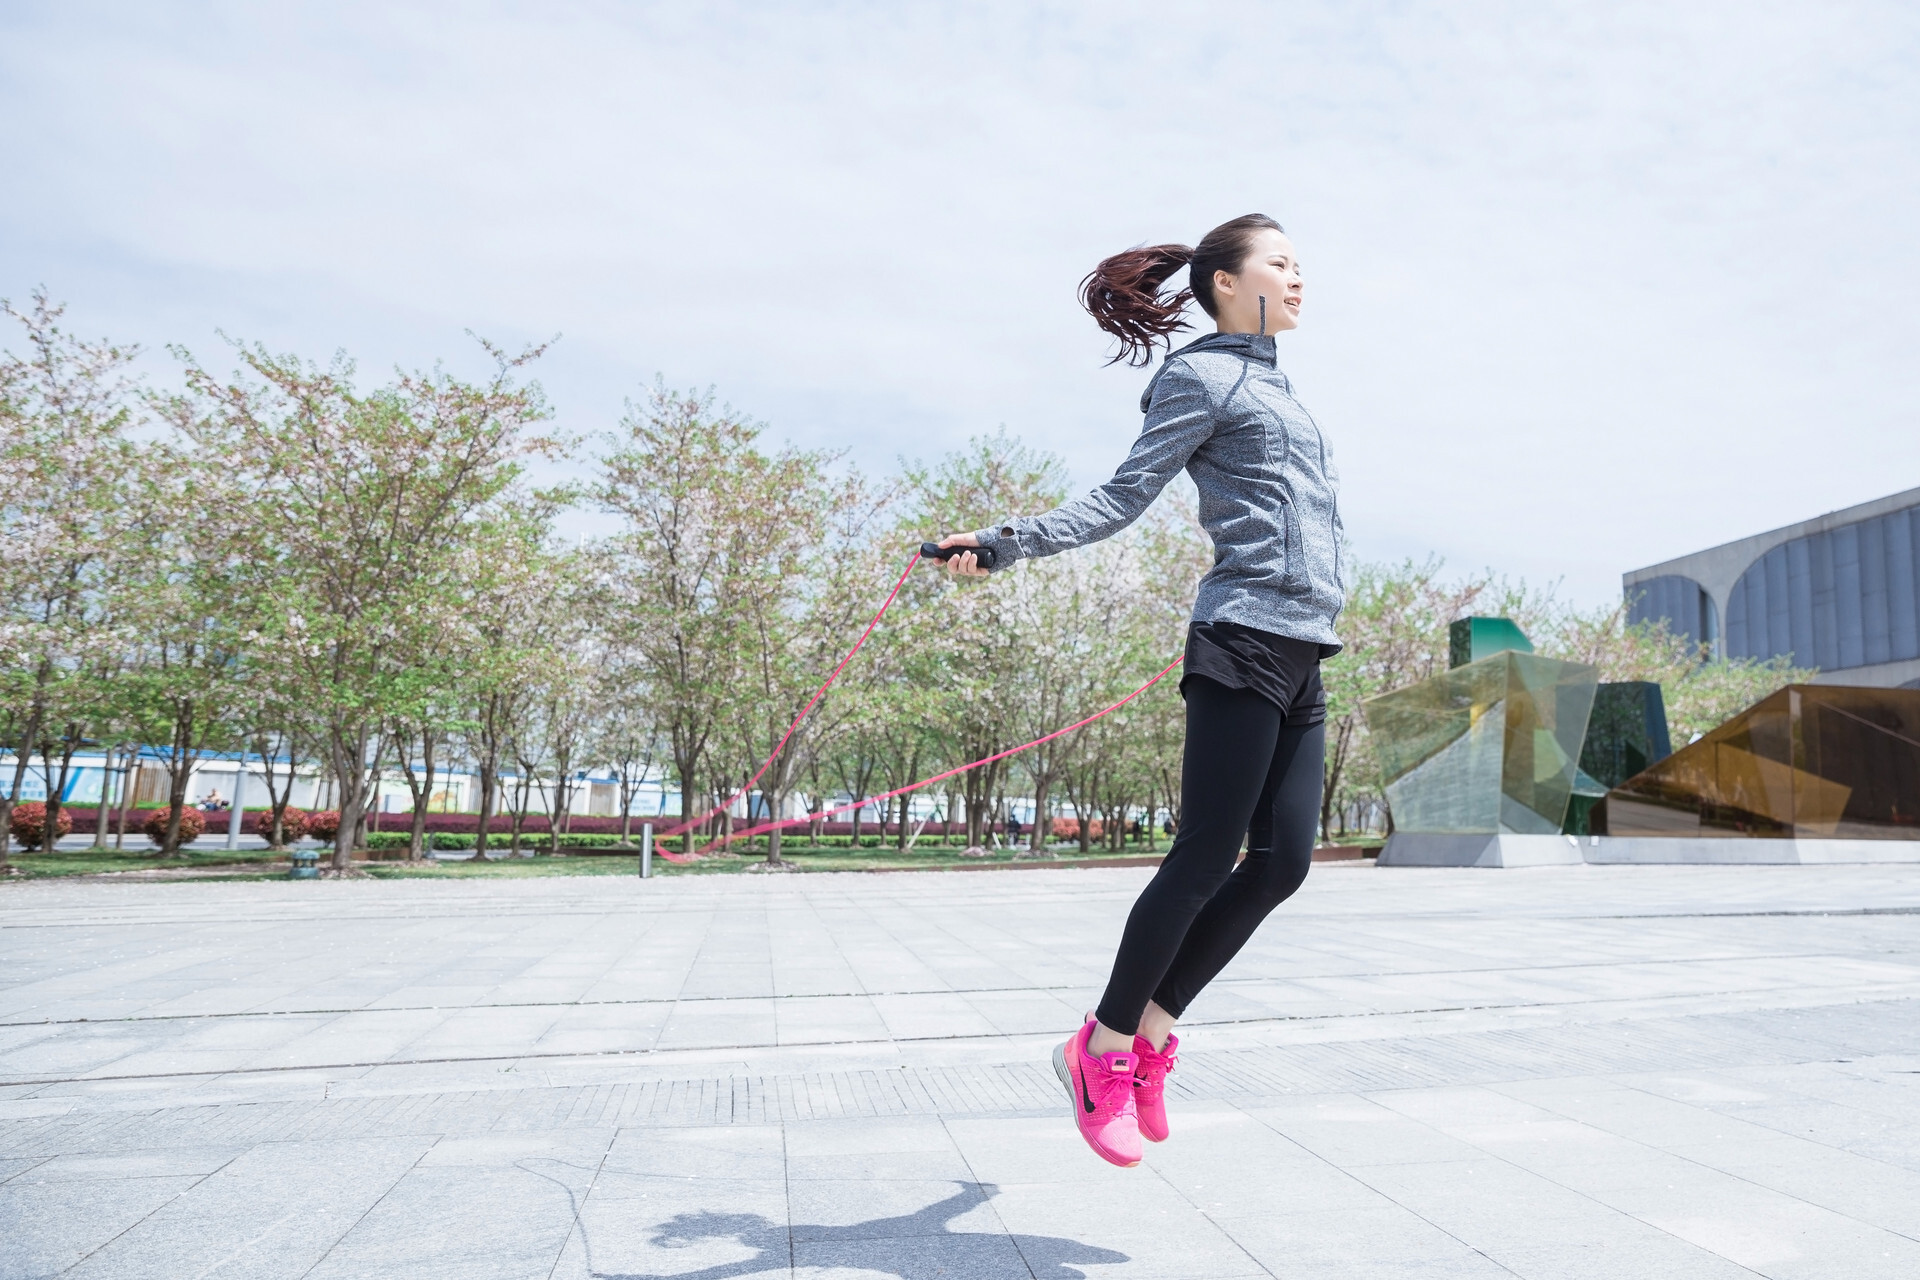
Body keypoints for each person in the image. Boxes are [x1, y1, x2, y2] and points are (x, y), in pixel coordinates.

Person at [935, 214, 1343, 1167]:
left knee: (1282, 863)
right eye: (1282, 264)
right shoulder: (1199, 378)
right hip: (1241, 636)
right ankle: (1101, 1047)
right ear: (1230, 284)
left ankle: (1151, 1035)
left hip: (1305, 648)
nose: (1299, 277)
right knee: (1204, 856)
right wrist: (999, 542)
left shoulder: (1281, 386)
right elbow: (1121, 496)